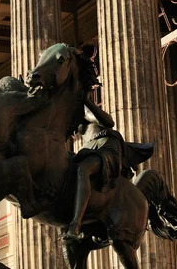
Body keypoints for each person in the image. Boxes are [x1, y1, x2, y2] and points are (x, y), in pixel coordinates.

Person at [64, 91, 154, 240]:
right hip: (88, 149)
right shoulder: (68, 111)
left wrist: (87, 103)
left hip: (105, 145)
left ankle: (76, 224)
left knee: (83, 169)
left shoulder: (85, 109)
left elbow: (108, 122)